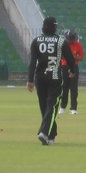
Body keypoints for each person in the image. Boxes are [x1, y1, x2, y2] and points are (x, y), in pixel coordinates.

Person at [27, 17, 76, 145]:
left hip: (39, 78)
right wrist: (72, 70)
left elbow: (32, 63)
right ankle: (44, 132)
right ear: (54, 27)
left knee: (44, 107)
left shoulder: (36, 41)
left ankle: (51, 136)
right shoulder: (60, 41)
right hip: (54, 77)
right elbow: (70, 58)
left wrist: (29, 80)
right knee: (52, 107)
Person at [59, 29, 84, 115]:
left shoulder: (78, 45)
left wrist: (73, 57)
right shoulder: (62, 44)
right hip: (64, 66)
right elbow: (59, 56)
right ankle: (62, 107)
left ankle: (73, 108)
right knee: (64, 87)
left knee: (74, 88)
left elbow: (81, 57)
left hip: (74, 66)